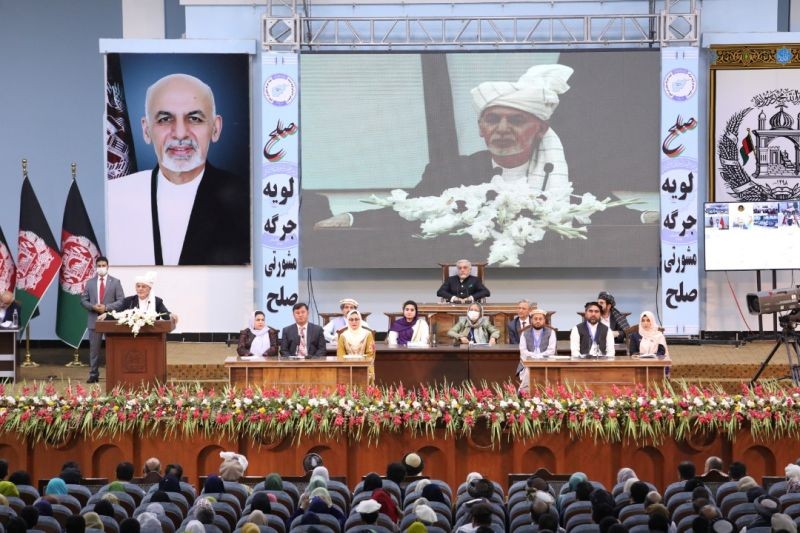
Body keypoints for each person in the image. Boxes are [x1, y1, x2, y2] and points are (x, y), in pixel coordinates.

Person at [316, 64, 574, 228]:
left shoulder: (574, 174)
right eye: (493, 120)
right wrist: (350, 220)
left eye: (516, 121)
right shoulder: (450, 172)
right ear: (481, 128)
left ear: (540, 129)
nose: (502, 129)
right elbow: (408, 211)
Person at [106, 73, 249, 266]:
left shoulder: (247, 201)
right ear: (146, 130)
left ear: (215, 128)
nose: (180, 133)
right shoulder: (116, 198)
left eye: (195, 118)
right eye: (165, 119)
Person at [80, 256, 125, 383]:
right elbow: (83, 300)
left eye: (103, 265)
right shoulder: (90, 283)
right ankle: (93, 374)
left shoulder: (115, 282)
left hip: (110, 320)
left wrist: (106, 307)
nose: (101, 268)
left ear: (107, 266)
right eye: (98, 265)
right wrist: (93, 307)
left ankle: (115, 374)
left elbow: (121, 301)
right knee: (94, 350)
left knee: (113, 349)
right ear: (95, 267)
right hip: (94, 320)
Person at [110, 272, 178, 322]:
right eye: (138, 286)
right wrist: (106, 315)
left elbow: (165, 314)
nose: (140, 289)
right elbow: (117, 313)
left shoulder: (157, 301)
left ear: (149, 289)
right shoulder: (129, 301)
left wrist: (171, 315)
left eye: (143, 286)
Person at [517, 308, 557, 392]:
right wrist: (533, 357)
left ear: (544, 320)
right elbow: (523, 351)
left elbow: (551, 351)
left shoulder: (551, 332)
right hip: (528, 363)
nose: (538, 321)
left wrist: (539, 357)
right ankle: (525, 394)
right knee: (529, 370)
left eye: (540, 319)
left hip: (547, 362)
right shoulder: (525, 333)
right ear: (531, 320)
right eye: (535, 319)